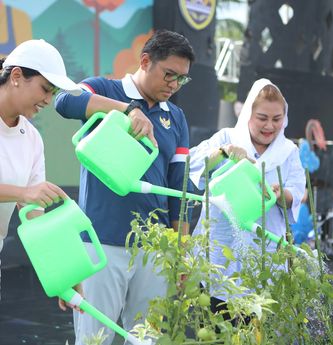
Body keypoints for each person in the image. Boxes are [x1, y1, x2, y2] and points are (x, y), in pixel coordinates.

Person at [55, 29, 195, 344]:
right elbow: (64, 101)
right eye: (169, 75)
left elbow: (179, 187)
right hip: (102, 242)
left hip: (155, 250)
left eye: (181, 79)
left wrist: (180, 252)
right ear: (145, 61)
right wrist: (127, 109)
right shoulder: (106, 88)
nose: (173, 85)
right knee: (95, 339)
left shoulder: (177, 117)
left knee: (146, 339)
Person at [189, 78, 306, 320]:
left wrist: (281, 193)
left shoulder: (288, 152)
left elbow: (297, 191)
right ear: (248, 114)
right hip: (220, 251)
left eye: (277, 119)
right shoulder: (227, 138)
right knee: (214, 324)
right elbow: (193, 165)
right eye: (262, 118)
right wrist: (224, 153)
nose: (270, 126)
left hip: (264, 257)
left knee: (256, 327)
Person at [0, 39, 82, 297]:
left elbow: (34, 215)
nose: (48, 100)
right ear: (16, 76)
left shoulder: (32, 138)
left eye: (53, 93)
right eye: (45, 89)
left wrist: (64, 272)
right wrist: (23, 193)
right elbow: (27, 197)